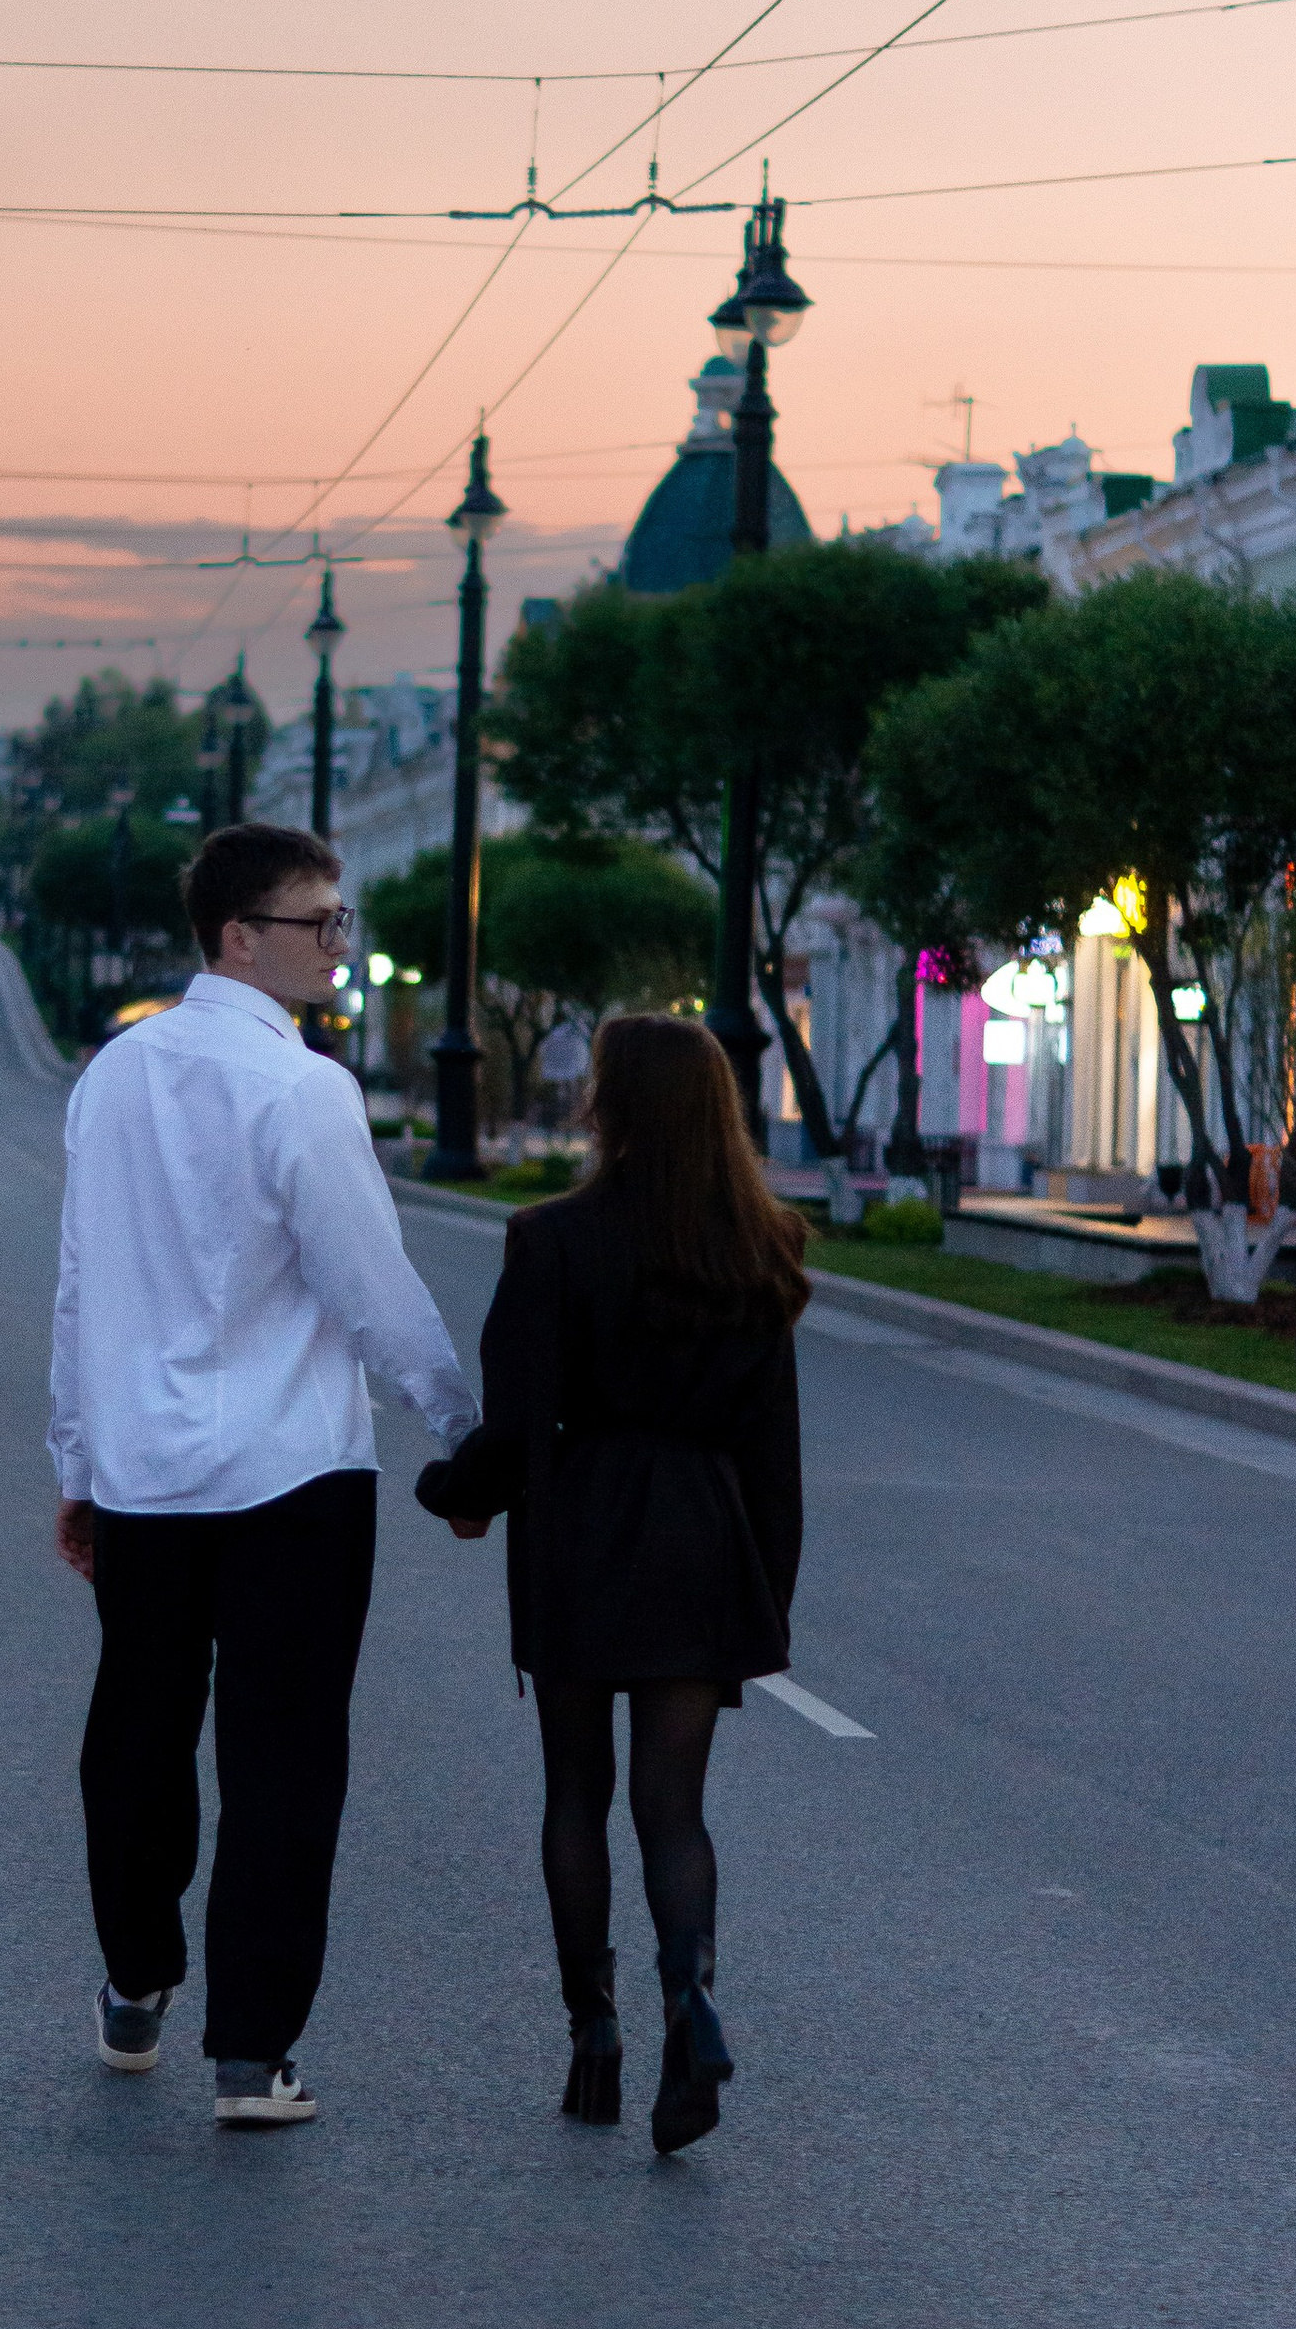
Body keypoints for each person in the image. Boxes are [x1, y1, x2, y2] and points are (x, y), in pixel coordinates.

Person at [51, 820, 476, 2126]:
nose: (341, 947)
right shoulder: (304, 1093)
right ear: (243, 936)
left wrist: (75, 1460)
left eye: (339, 923)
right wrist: (464, 1429)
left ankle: (136, 1979)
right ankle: (252, 2051)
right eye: (321, 923)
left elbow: (82, 1289)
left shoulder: (112, 1079)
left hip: (141, 1477)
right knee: (283, 1760)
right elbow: (369, 1287)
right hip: (292, 1479)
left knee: (137, 1731)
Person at [415, 1012, 806, 2156]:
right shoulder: (759, 1244)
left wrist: (453, 1491)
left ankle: (593, 2034)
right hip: (703, 1540)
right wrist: (762, 1600)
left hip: (583, 1530)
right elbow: (773, 1454)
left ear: (612, 1104)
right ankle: (691, 1996)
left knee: (574, 1794)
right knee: (673, 1808)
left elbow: (517, 1422)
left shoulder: (552, 1239)